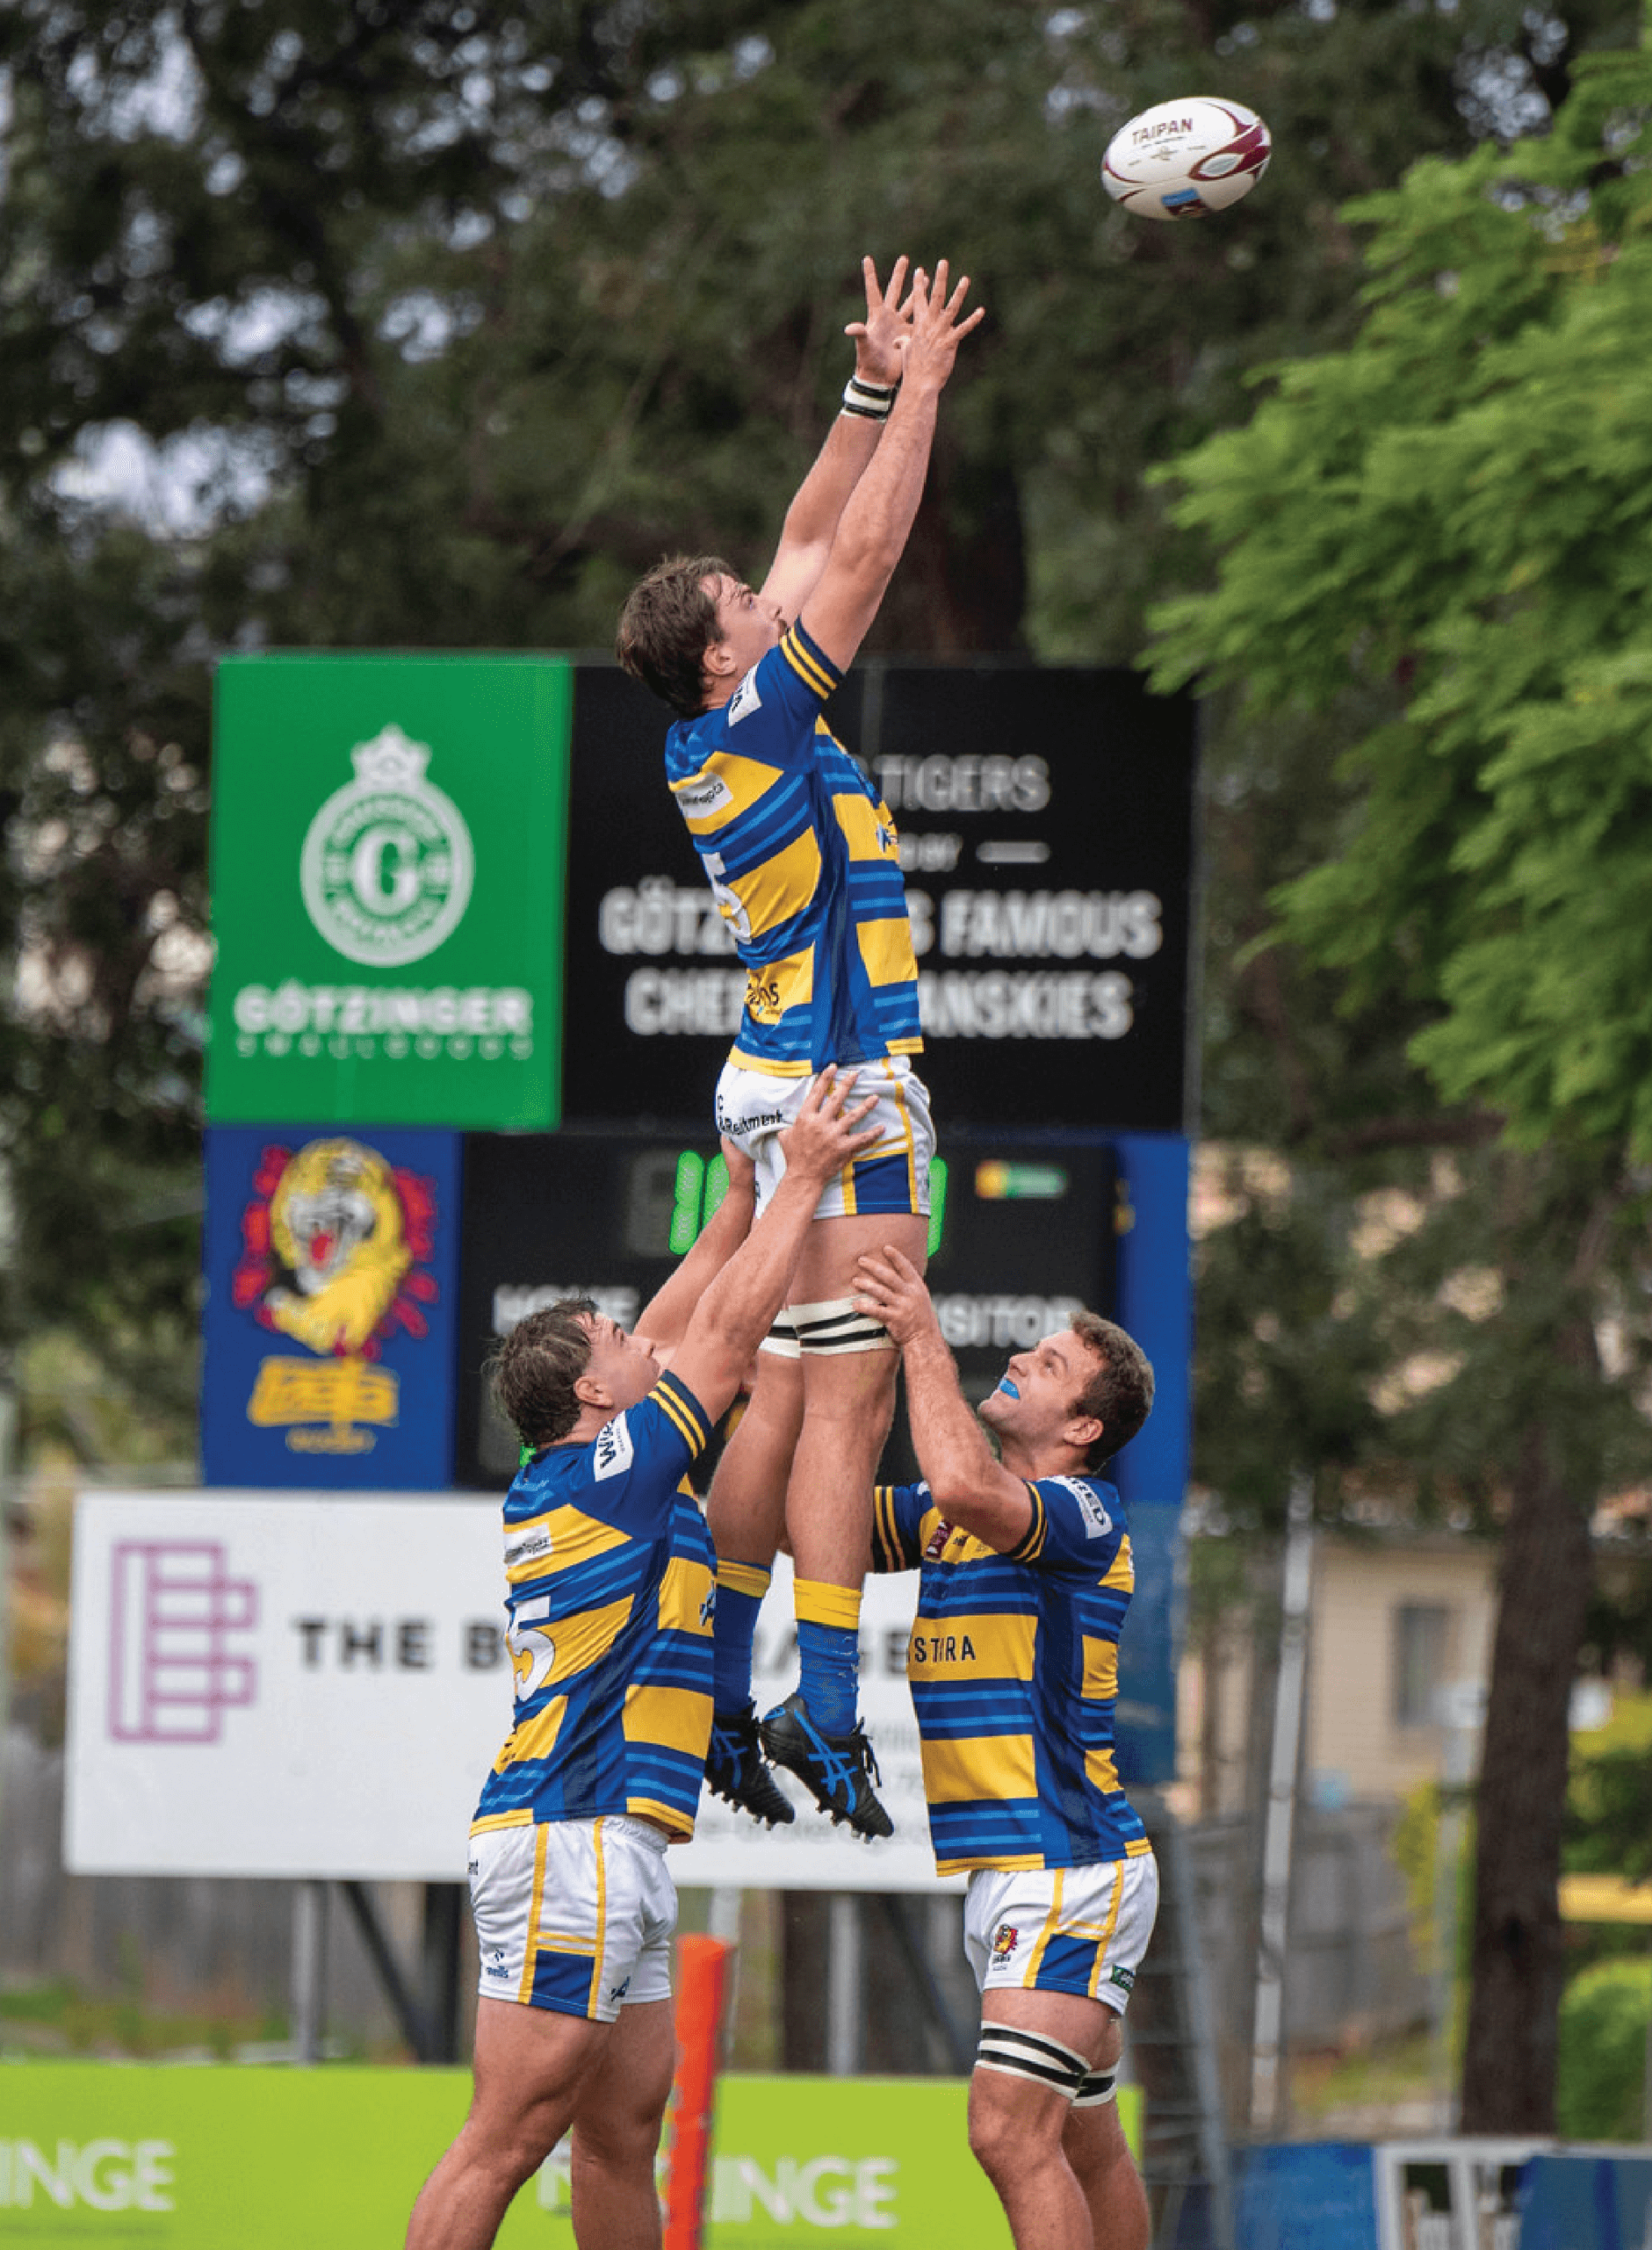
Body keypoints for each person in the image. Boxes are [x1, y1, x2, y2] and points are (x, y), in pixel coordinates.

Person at [610, 256, 989, 1838]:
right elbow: (872, 543)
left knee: (776, 1404)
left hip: (771, 1072)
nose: (773, 602)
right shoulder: (766, 712)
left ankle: (708, 1687)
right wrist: (927, 396)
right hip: (841, 1084)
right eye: (749, 615)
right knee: (844, 1412)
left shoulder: (722, 715)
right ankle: (826, 1712)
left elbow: (809, 530)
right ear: (722, 658)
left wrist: (861, 387)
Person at [406, 1074, 874, 2250]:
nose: (639, 1339)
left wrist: (736, 1200)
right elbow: (713, 1341)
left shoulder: (603, 1465)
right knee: (506, 2134)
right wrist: (806, 1174)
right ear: (589, 1393)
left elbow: (674, 1329)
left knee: (621, 2130)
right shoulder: (609, 1473)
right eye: (618, 1341)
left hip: (618, 1836)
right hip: (575, 1828)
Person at [844, 1244, 1158, 2250]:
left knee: (1006, 2135)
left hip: (1069, 1867)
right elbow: (827, 1527)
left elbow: (970, 1489)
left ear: (1083, 1428)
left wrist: (919, 1333)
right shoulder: (954, 1512)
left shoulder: (1081, 1512)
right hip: (1016, 1871)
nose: (1024, 1357)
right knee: (1082, 2144)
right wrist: (787, 1376)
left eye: (1052, 1363)